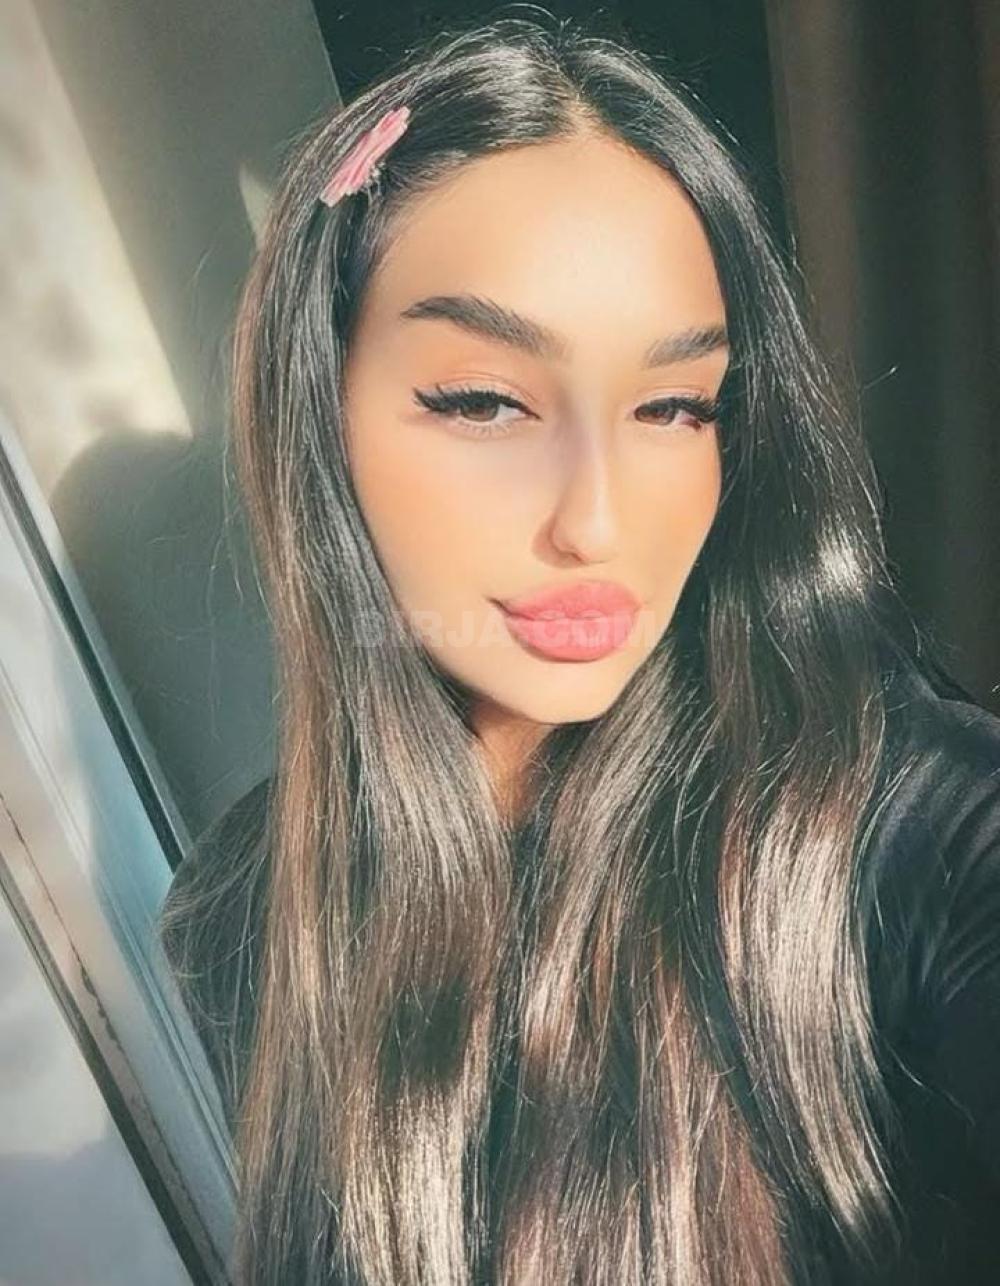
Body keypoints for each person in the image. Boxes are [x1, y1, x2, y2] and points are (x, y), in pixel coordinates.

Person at [157, 16, 1000, 1285]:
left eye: (673, 406)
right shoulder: (240, 913)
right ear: (318, 413)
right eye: (485, 400)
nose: (598, 522)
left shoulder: (904, 831)